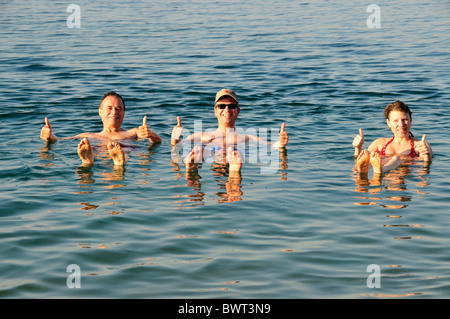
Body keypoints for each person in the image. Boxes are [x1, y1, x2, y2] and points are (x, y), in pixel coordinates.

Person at [171, 88, 289, 172]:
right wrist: (175, 138)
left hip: (236, 158)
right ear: (215, 111)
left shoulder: (247, 137)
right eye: (222, 106)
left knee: (236, 154)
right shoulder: (202, 135)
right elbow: (178, 146)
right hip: (211, 159)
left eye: (232, 106)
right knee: (198, 151)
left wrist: (281, 143)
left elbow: (272, 146)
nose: (227, 110)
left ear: (238, 111)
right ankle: (192, 168)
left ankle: (233, 169)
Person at [40, 91, 161, 166]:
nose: (114, 112)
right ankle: (89, 160)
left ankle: (117, 161)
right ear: (100, 112)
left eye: (119, 108)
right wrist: (49, 136)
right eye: (109, 108)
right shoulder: (88, 136)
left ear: (124, 112)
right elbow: (61, 141)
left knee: (125, 151)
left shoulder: (133, 132)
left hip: (124, 153)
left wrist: (151, 134)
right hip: (100, 153)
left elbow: (158, 142)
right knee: (91, 149)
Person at [353, 100, 432, 175]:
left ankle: (382, 170)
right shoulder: (380, 143)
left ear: (411, 120)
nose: (401, 124)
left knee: (397, 159)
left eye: (404, 120)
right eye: (395, 121)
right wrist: (358, 148)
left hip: (403, 174)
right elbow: (363, 158)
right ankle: (365, 170)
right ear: (388, 123)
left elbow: (424, 170)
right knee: (368, 159)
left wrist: (426, 156)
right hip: (385, 176)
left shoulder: (420, 145)